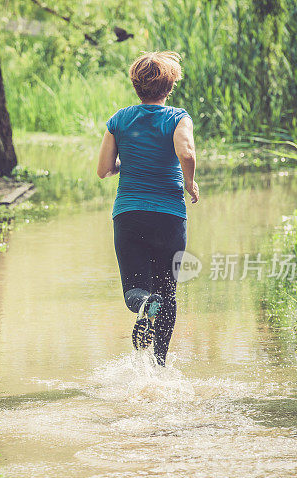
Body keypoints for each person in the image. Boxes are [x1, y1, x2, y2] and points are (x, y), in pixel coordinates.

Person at [96, 51, 199, 366]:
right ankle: (160, 365)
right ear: (169, 87)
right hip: (169, 215)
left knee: (135, 291)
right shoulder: (177, 117)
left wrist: (122, 164)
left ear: (136, 85)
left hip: (129, 214)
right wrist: (189, 182)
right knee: (168, 295)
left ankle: (144, 302)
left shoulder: (119, 120)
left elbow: (102, 169)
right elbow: (187, 153)